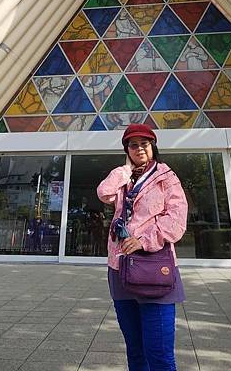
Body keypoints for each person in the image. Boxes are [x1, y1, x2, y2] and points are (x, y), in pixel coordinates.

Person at [97, 123, 188, 371]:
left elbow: (177, 221)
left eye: (144, 144)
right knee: (135, 352)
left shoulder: (166, 178)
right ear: (127, 149)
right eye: (133, 145)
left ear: (153, 146)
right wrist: (124, 170)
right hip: (120, 268)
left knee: (159, 354)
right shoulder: (124, 180)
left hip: (154, 268)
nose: (139, 149)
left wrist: (144, 240)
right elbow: (103, 193)